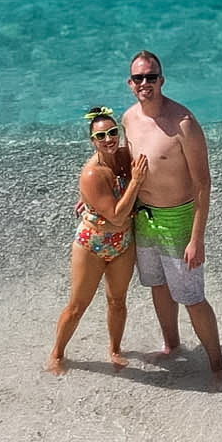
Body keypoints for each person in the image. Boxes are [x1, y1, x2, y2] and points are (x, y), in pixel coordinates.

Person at [121, 51, 222, 380]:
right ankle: (172, 346)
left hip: (178, 220)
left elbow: (203, 184)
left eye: (151, 77)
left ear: (161, 80)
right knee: (158, 285)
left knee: (192, 298)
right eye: (139, 78)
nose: (145, 83)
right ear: (130, 83)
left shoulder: (184, 124)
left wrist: (198, 238)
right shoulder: (128, 119)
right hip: (144, 217)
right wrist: (95, 198)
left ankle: (218, 365)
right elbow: (124, 167)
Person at [48, 108, 149, 375]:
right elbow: (116, 216)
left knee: (117, 300)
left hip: (123, 243)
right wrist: (136, 182)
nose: (108, 139)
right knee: (78, 305)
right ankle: (57, 354)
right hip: (92, 244)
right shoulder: (92, 174)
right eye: (101, 136)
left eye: (113, 132)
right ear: (93, 141)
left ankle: (115, 349)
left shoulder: (126, 157)